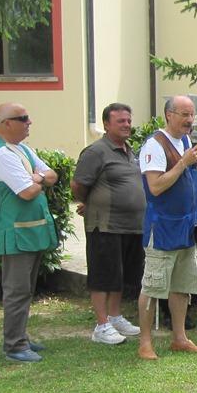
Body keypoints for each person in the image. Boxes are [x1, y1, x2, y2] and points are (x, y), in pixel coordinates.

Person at [0, 103, 59, 363]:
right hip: (14, 234)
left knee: (26, 289)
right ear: (6, 124)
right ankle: (14, 345)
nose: (30, 122)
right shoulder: (2, 155)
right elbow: (27, 191)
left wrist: (36, 177)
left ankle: (21, 338)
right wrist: (37, 178)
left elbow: (53, 175)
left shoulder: (23, 149)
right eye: (23, 118)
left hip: (29, 233)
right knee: (16, 291)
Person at [136, 95, 197, 360]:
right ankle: (145, 343)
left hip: (187, 227)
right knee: (153, 287)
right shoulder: (154, 146)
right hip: (163, 228)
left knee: (182, 285)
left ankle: (179, 338)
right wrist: (182, 163)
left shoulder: (186, 141)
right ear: (168, 115)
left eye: (192, 115)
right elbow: (155, 187)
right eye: (184, 114)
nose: (189, 120)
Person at [71, 103, 145, 345]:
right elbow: (78, 186)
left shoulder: (129, 150)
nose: (126, 125)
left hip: (131, 226)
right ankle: (101, 325)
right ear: (106, 124)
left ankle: (115, 317)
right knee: (103, 276)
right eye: (120, 121)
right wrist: (91, 202)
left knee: (120, 276)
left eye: (128, 120)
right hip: (105, 225)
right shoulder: (96, 152)